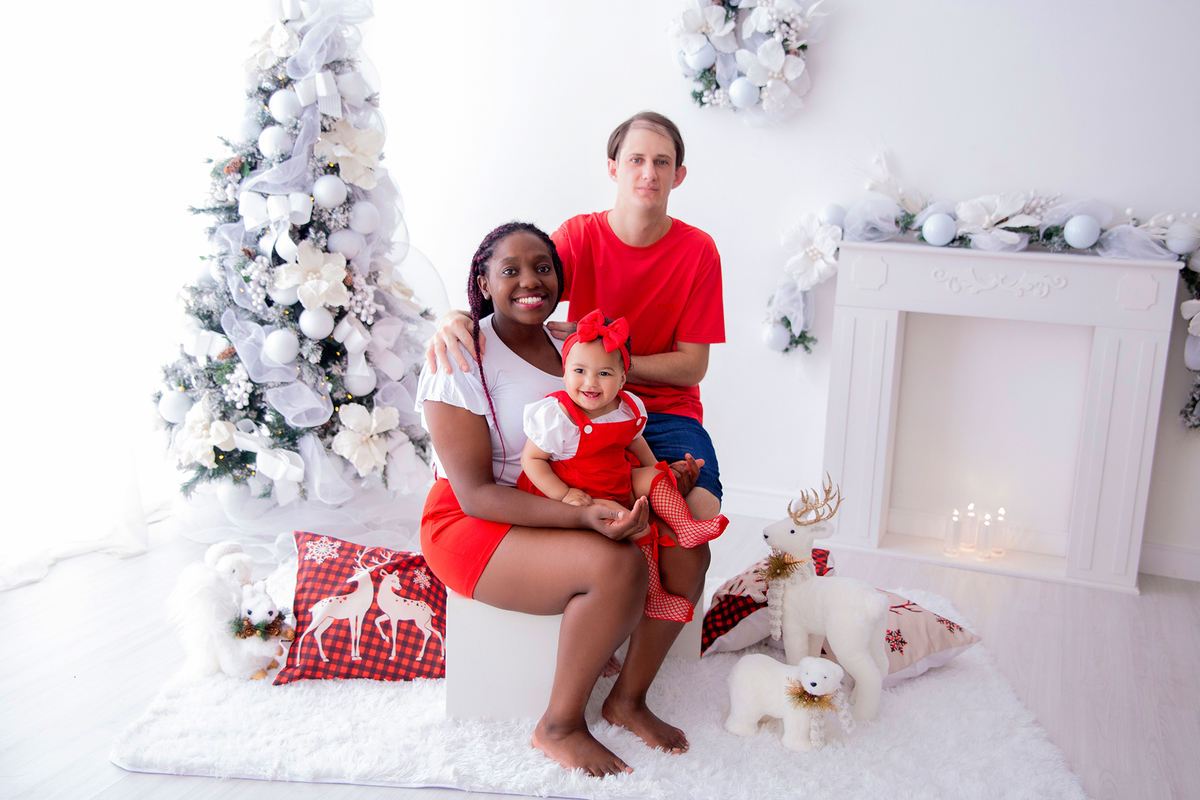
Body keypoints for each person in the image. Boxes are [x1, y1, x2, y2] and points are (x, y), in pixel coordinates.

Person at [416, 222, 710, 778]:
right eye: (510, 270)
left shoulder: (571, 346)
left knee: (687, 549)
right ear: (483, 280)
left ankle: (627, 700)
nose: (530, 280)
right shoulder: (459, 355)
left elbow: (611, 436)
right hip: (477, 518)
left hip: (565, 499)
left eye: (543, 267)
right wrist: (582, 515)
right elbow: (476, 494)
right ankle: (559, 725)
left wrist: (658, 477)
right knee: (618, 564)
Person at [427, 111, 725, 526]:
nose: (648, 173)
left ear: (678, 175)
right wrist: (456, 316)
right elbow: (520, 289)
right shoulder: (580, 237)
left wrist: (613, 366)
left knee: (700, 511)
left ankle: (657, 590)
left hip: (667, 412)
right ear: (613, 169)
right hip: (588, 409)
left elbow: (693, 365)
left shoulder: (699, 251)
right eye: (636, 159)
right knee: (608, 512)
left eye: (662, 162)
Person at [518, 309, 728, 623]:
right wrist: (563, 495)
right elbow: (531, 461)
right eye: (579, 370)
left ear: (622, 379)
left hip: (617, 478)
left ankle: (685, 526)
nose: (590, 382)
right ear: (564, 373)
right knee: (638, 523)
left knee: (655, 479)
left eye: (604, 373)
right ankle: (654, 595)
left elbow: (635, 442)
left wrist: (658, 470)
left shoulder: (626, 408)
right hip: (583, 490)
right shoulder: (557, 415)